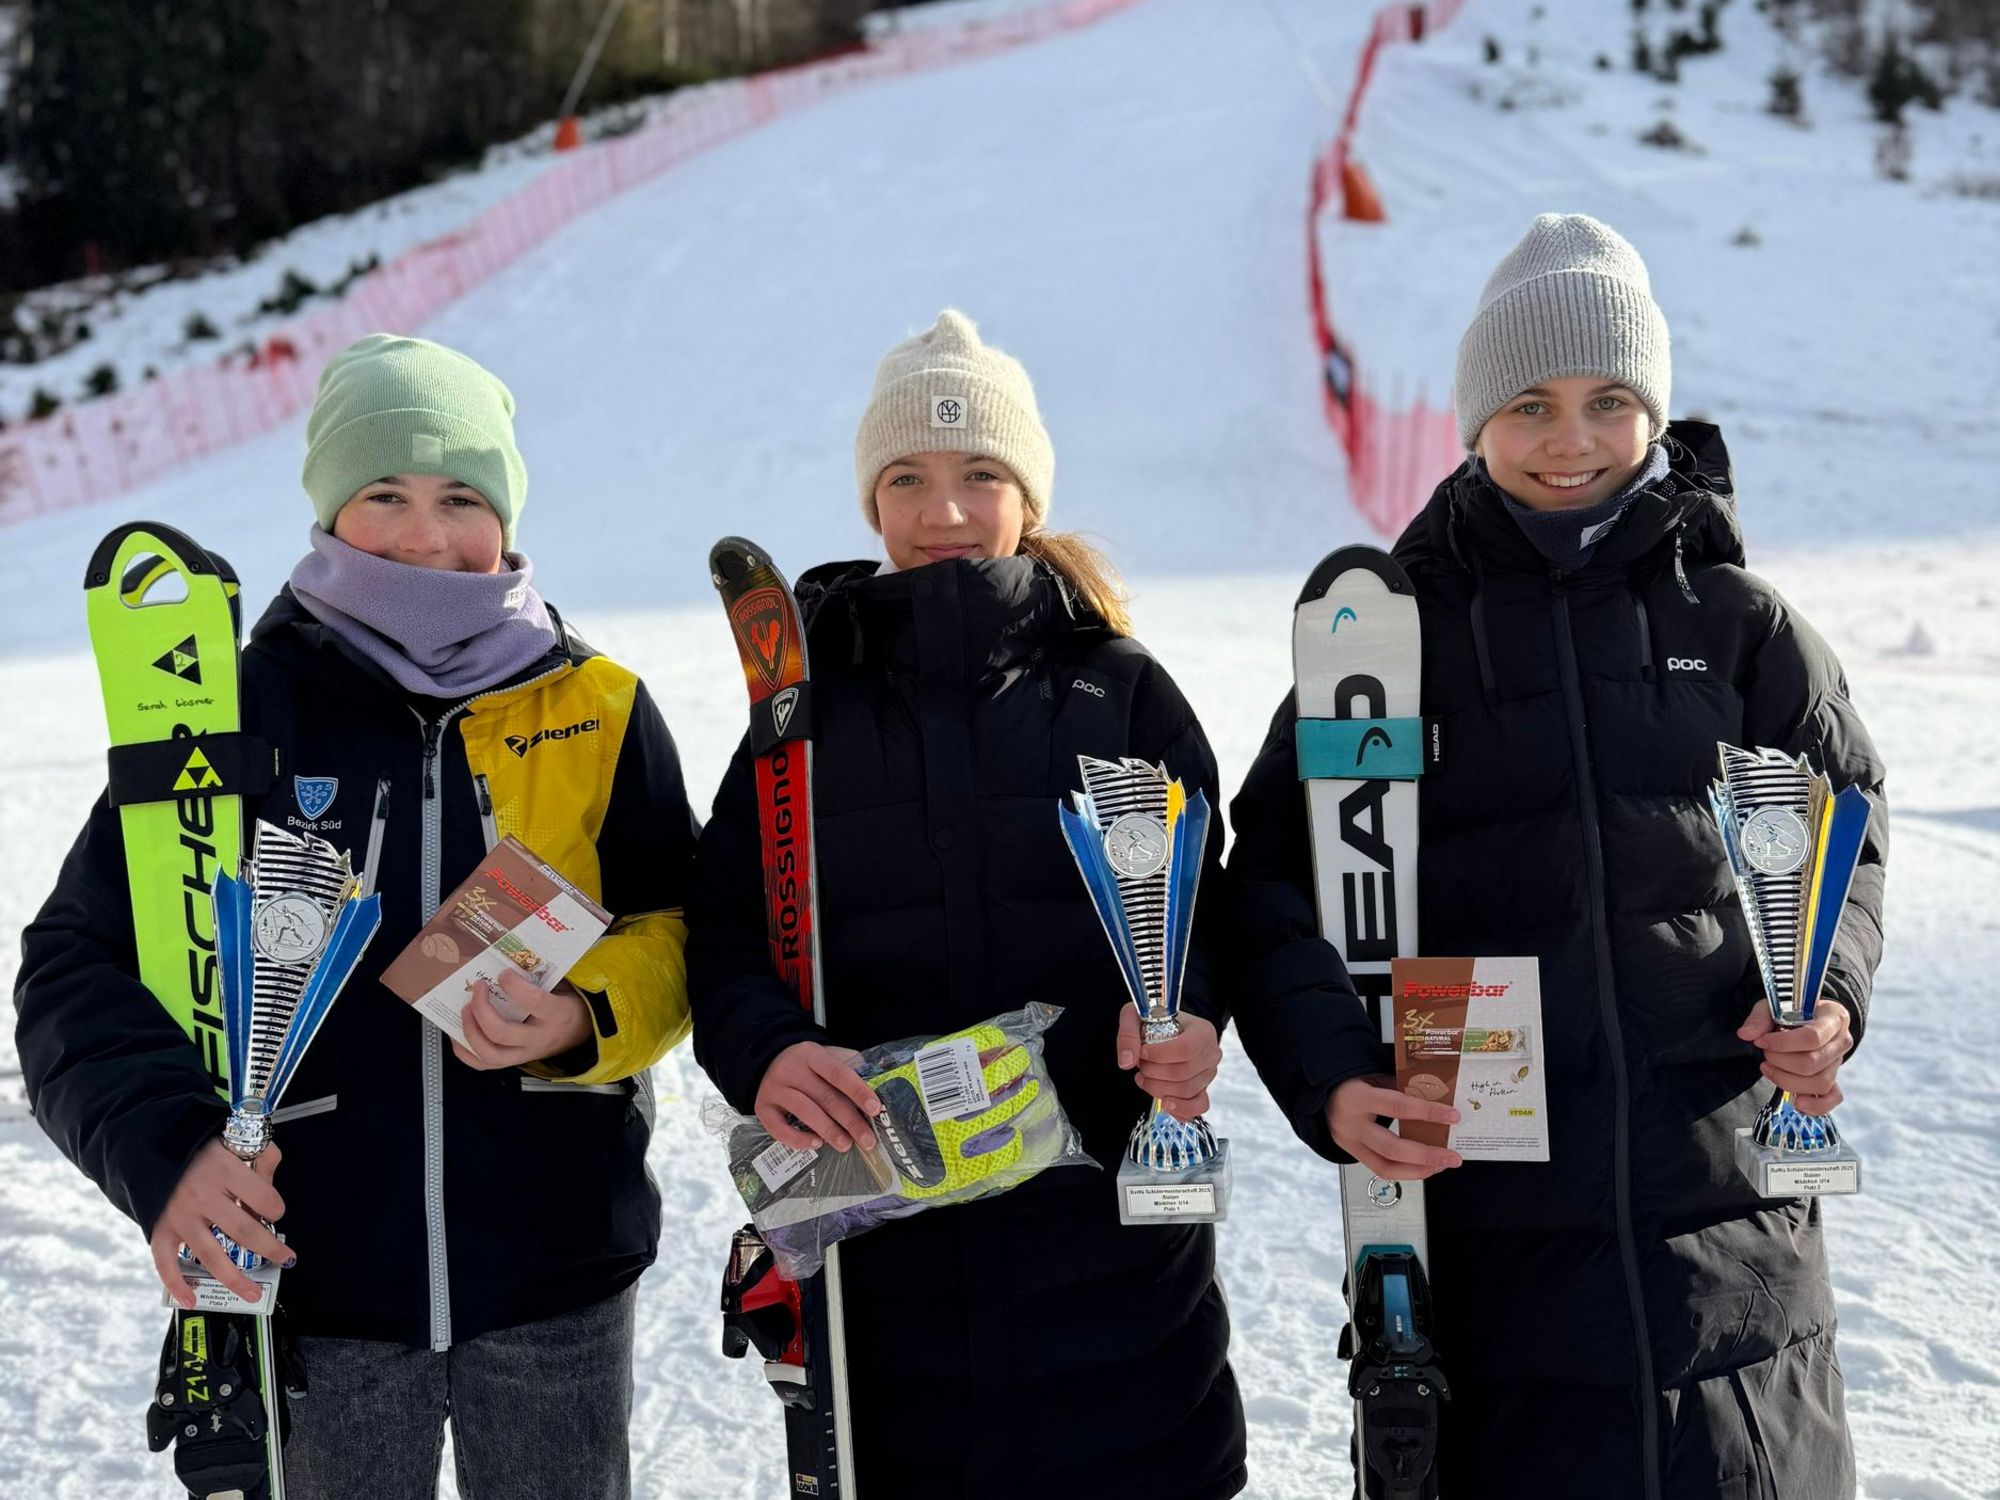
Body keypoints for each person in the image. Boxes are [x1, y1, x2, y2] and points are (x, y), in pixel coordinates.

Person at [1228, 216, 1887, 1499]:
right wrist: (1327, 1077)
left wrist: (1834, 995)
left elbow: (1842, 826)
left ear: (1653, 411)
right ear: (1473, 422)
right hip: (1491, 1229)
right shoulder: (1388, 632)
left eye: (1607, 402)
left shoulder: (1738, 622)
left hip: (1727, 1222)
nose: (1570, 438)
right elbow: (1269, 878)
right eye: (1528, 404)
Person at [15, 333, 697, 1500]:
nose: (426, 536)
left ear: (507, 514)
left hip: (555, 1279)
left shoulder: (596, 705)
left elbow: (688, 928)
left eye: (459, 497)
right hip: (317, 1285)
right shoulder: (233, 715)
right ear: (330, 505)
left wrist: (585, 1012)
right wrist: (170, 1152)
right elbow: (72, 968)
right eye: (384, 493)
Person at [688, 310, 1247, 1498]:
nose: (942, 511)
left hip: (1107, 1261)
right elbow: (727, 924)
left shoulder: (1117, 689)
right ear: (869, 503)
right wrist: (767, 1050)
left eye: (978, 474)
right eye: (908, 479)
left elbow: (1200, 904)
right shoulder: (801, 719)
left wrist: (1185, 1012)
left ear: (1027, 495)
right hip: (888, 1280)